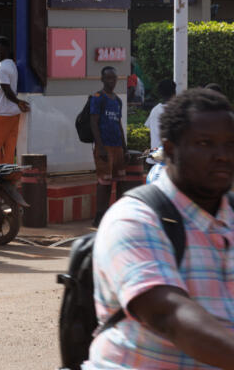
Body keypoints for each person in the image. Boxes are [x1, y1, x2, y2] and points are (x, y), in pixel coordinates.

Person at [87, 88, 234, 368]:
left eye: (230, 144)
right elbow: (168, 316)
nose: (223, 156)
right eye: (205, 143)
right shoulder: (134, 220)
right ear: (169, 150)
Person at [90, 66, 127, 225]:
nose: (112, 81)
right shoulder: (98, 97)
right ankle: (99, 216)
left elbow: (118, 123)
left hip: (117, 146)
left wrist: (124, 147)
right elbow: (94, 122)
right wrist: (101, 147)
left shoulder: (118, 100)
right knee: (104, 182)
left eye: (114, 78)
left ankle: (118, 214)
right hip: (104, 146)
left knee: (120, 181)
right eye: (108, 78)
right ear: (102, 79)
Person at [0, 36, 29, 166]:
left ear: (6, 49)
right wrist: (18, 103)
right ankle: (9, 176)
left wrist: (18, 101)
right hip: (13, 114)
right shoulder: (11, 64)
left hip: (0, 114)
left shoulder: (0, 68)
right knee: (10, 150)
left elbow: (6, 90)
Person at [145, 79, 177, 149]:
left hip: (154, 157)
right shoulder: (177, 111)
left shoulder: (154, 110)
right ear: (175, 92)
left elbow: (149, 128)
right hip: (170, 156)